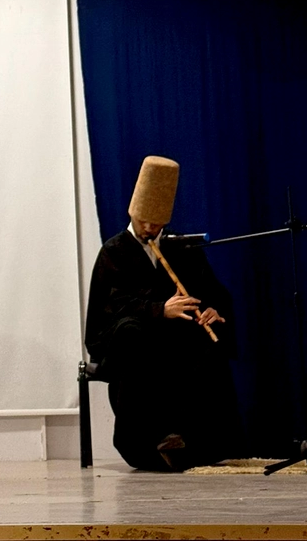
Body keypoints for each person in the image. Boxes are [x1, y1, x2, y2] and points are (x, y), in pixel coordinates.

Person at [84, 156, 240, 471]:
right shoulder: (114, 252)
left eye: (156, 224)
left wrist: (214, 310)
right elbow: (111, 307)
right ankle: (145, 441)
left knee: (206, 340)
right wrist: (158, 310)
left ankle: (197, 440)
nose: (149, 229)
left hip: (174, 338)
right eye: (144, 222)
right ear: (133, 213)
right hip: (131, 338)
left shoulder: (179, 247)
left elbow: (212, 291)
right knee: (132, 332)